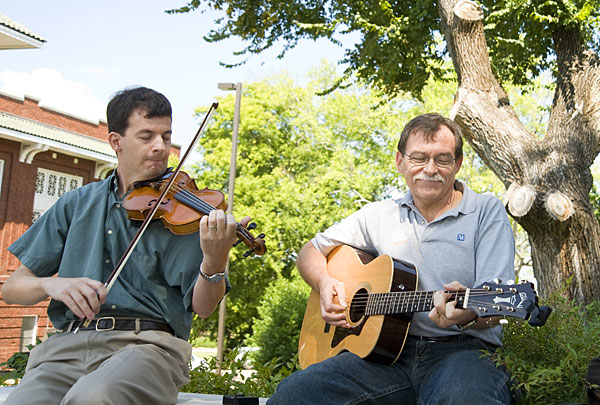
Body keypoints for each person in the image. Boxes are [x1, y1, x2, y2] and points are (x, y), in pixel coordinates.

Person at [1, 86, 248, 404]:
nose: (161, 147)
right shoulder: (76, 203)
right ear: (116, 142)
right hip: (69, 346)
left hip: (148, 347)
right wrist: (53, 285)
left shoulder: (186, 213)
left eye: (166, 136)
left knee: (94, 397)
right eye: (146, 136)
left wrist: (215, 260)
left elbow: (204, 306)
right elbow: (13, 289)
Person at [268, 113, 515, 404]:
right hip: (381, 358)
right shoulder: (379, 214)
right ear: (400, 161)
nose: (430, 169)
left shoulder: (485, 211)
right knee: (294, 395)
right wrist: (324, 283)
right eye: (419, 157)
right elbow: (310, 251)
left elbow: (498, 307)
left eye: (443, 159)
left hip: (464, 353)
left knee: (464, 398)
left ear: (458, 164)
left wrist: (471, 314)